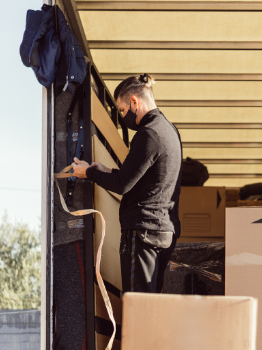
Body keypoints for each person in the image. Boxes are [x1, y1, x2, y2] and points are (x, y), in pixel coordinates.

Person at [71, 73, 182, 296]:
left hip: (143, 232)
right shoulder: (170, 131)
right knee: (150, 307)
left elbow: (122, 184)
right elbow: (144, 176)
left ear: (134, 101)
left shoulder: (148, 134)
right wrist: (106, 170)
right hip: (163, 233)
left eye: (122, 110)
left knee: (137, 305)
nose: (123, 117)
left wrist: (88, 172)